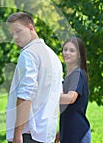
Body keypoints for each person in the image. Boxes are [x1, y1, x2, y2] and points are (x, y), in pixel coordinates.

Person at [5, 12, 63, 143]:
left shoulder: (28, 54)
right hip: (46, 134)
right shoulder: (53, 56)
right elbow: (58, 96)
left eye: (18, 31)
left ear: (31, 28)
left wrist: (17, 134)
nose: (15, 37)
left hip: (28, 133)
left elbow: (26, 94)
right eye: (12, 34)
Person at [55, 37, 91, 143]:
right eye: (65, 49)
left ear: (79, 54)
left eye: (72, 50)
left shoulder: (77, 74)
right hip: (68, 130)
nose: (67, 53)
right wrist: (61, 131)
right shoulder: (71, 75)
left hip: (77, 133)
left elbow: (70, 98)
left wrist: (47, 97)